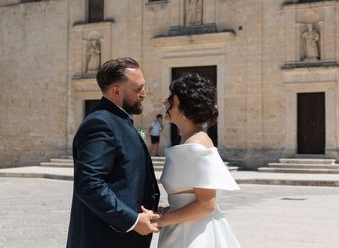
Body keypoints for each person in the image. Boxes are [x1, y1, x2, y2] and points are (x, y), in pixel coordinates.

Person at [66, 57, 161, 248]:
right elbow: (89, 184)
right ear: (116, 91)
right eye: (137, 89)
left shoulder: (120, 120)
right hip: (106, 239)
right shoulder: (100, 123)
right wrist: (132, 221)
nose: (144, 93)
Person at [156, 73, 241, 248]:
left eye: (171, 97)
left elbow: (206, 204)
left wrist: (163, 220)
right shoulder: (189, 140)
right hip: (183, 229)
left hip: (194, 236)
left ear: (185, 106)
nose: (165, 102)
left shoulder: (196, 144)